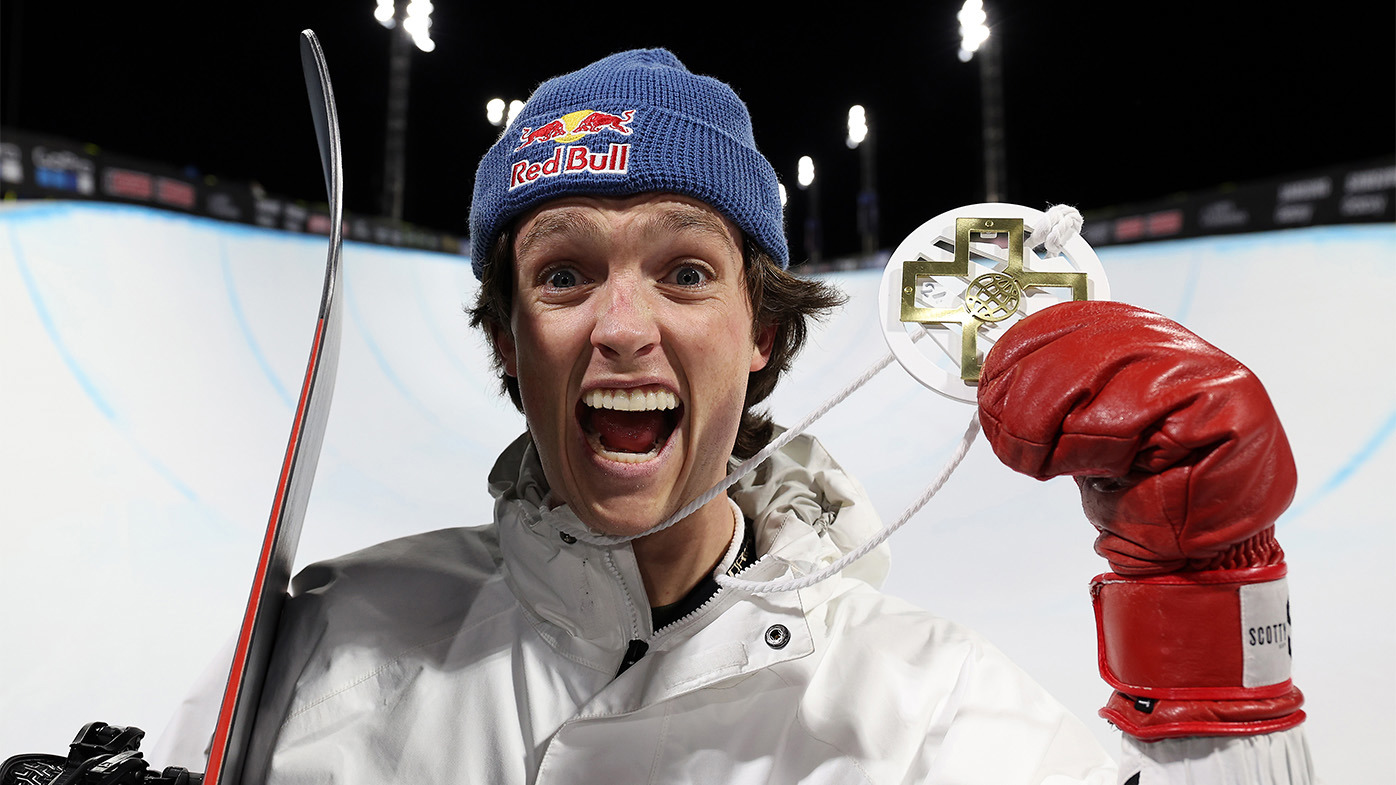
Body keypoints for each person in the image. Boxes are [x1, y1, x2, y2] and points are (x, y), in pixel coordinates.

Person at [166, 48, 1313, 783]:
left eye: (684, 272)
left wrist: (1213, 629)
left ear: (762, 333)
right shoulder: (327, 646)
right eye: (563, 274)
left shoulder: (928, 716)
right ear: (509, 341)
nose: (620, 325)